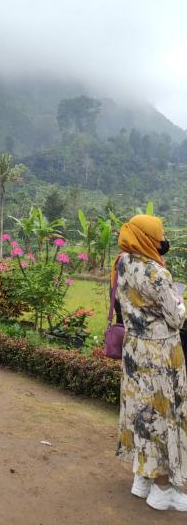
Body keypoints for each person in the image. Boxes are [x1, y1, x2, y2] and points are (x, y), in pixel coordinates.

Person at [115, 214, 187, 511]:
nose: (162, 242)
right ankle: (163, 488)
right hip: (160, 353)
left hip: (134, 349)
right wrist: (181, 301)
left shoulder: (122, 262)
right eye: (159, 237)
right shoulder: (156, 272)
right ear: (149, 239)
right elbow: (177, 317)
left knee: (140, 412)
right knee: (163, 417)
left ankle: (142, 479)